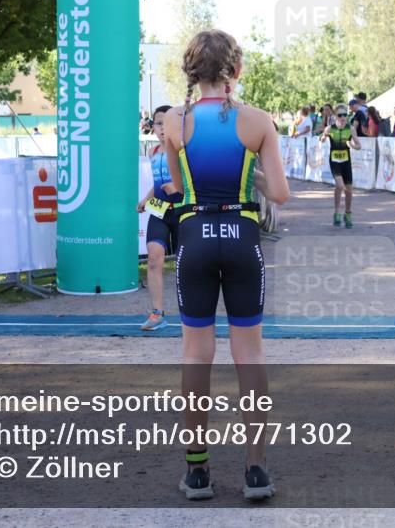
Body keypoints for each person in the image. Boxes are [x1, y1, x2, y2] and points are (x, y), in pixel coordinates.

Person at [163, 30, 290, 499]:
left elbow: (177, 189)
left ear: (192, 73)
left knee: (196, 355)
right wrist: (249, 167)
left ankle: (197, 471)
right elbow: (279, 194)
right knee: (250, 355)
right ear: (234, 71)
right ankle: (255, 469)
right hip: (242, 238)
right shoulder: (257, 121)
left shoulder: (174, 122)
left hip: (195, 239)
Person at [136, 105, 180, 332]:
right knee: (153, 258)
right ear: (152, 128)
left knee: (189, 265)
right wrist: (145, 199)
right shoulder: (153, 152)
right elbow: (157, 185)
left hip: (184, 211)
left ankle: (194, 314)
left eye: (166, 123)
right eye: (158, 123)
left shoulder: (184, 150)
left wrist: (178, 188)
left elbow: (198, 183)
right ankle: (156, 314)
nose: (162, 128)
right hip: (160, 211)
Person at [320, 104, 362, 228]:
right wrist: (322, 138)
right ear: (336, 116)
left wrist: (352, 146)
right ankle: (337, 212)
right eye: (340, 115)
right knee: (340, 185)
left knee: (349, 189)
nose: (343, 117)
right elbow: (322, 136)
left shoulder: (351, 129)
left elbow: (359, 145)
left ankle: (347, 213)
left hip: (346, 161)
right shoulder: (329, 129)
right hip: (334, 160)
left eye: (345, 115)